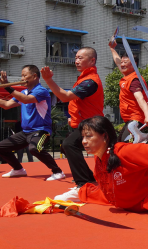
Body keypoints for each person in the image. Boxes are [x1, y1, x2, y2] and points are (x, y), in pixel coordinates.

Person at [65, 116, 148, 233]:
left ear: (105, 136)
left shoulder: (124, 151)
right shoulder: (99, 156)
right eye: (83, 137)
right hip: (125, 195)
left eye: (89, 136)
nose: (84, 141)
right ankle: (79, 192)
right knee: (97, 191)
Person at [41, 47, 104, 200]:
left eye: (80, 58)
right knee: (69, 146)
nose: (76, 61)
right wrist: (74, 118)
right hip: (86, 123)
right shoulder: (84, 78)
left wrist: (48, 80)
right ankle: (88, 181)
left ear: (92, 61)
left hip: (92, 124)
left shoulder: (90, 81)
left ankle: (84, 184)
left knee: (70, 144)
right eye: (75, 57)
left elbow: (65, 96)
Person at [0, 66, 65, 180]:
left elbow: (26, 99)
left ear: (34, 76)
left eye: (24, 75)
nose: (22, 79)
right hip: (25, 132)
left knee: (34, 148)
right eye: (21, 76)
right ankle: (18, 169)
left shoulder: (41, 91)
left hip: (41, 130)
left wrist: (7, 86)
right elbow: (6, 105)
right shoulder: (23, 92)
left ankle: (58, 171)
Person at [108, 38, 148, 141]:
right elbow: (117, 61)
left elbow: (140, 99)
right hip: (130, 119)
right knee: (123, 146)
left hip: (135, 120)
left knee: (122, 145)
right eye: (122, 62)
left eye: (125, 62)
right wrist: (112, 48)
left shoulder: (134, 80)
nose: (122, 64)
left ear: (134, 64)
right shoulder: (128, 76)